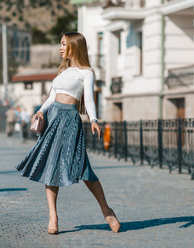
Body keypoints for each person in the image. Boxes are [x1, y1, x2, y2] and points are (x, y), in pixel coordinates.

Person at [15, 32, 121, 235]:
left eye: (63, 44)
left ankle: (107, 211)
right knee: (50, 166)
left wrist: (94, 120)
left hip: (70, 120)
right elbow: (53, 96)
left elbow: (88, 99)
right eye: (60, 44)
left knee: (83, 167)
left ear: (74, 45)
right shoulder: (62, 72)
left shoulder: (86, 72)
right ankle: (53, 217)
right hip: (53, 118)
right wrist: (40, 110)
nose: (60, 48)